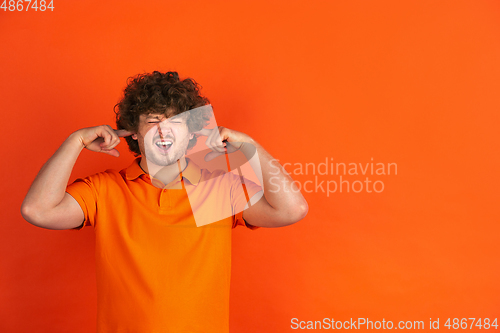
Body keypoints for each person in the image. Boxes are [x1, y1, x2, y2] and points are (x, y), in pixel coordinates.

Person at [21, 71, 308, 332]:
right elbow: (38, 211)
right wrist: (75, 142)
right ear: (134, 132)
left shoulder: (216, 190)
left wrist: (250, 147)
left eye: (176, 122)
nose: (164, 130)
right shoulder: (106, 189)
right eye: (153, 120)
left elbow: (291, 209)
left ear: (191, 132)